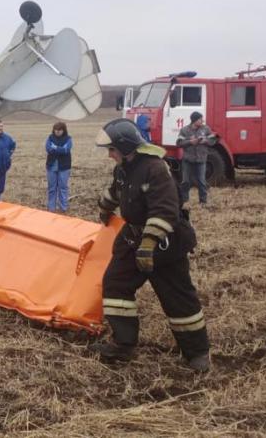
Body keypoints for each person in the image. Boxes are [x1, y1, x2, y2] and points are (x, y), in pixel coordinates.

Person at [90, 118, 210, 372]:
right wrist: (104, 207)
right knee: (115, 284)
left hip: (165, 244)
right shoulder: (124, 168)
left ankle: (198, 353)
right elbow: (117, 191)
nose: (109, 155)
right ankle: (123, 344)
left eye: (112, 149)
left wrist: (148, 245)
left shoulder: (155, 169)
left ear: (125, 148)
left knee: (177, 298)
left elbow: (165, 210)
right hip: (133, 239)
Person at [176, 111, 217, 205]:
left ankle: (203, 201)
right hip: (188, 160)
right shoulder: (184, 130)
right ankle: (184, 201)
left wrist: (205, 141)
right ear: (194, 120)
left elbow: (213, 141)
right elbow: (179, 143)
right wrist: (190, 142)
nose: (202, 121)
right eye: (200, 119)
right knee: (185, 181)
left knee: (202, 181)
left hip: (201, 159)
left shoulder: (206, 129)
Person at [45, 122, 73, 212]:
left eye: (59, 130)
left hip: (64, 167)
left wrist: (55, 147)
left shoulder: (68, 139)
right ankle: (51, 208)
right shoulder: (50, 138)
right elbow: (48, 149)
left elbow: (66, 150)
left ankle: (63, 208)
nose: (57, 131)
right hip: (51, 167)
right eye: (56, 130)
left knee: (63, 188)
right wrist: (59, 149)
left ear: (63, 130)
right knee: (51, 188)